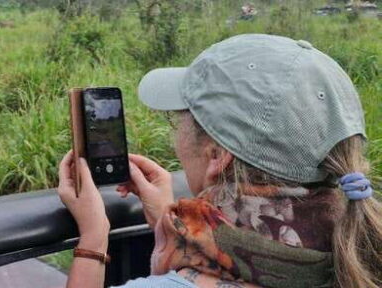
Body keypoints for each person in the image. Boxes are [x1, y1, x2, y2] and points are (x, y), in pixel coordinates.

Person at [57, 34, 381, 288]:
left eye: (179, 121)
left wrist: (94, 238)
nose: (176, 136)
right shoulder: (360, 250)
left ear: (216, 155)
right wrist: (164, 221)